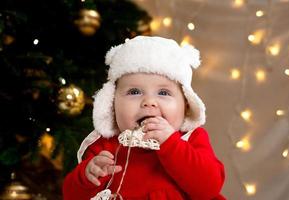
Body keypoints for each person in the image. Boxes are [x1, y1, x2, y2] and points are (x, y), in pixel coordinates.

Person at [62, 36, 226, 200]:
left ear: (186, 105)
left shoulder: (190, 139)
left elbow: (209, 188)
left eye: (163, 93)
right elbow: (71, 196)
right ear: (112, 102)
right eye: (134, 92)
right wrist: (86, 177)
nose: (149, 102)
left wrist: (171, 144)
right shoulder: (105, 146)